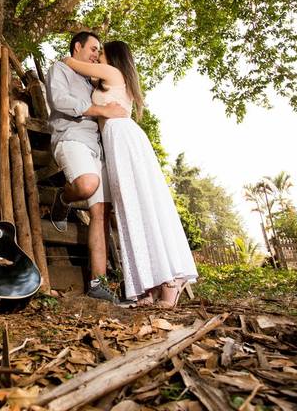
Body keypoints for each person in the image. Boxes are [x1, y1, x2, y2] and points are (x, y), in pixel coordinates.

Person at [62, 40, 198, 308]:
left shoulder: (113, 73)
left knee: (143, 207)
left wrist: (74, 59)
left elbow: (71, 63)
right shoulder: (106, 79)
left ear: (113, 57)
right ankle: (149, 284)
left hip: (123, 138)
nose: (97, 56)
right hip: (115, 143)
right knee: (130, 212)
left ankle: (170, 281)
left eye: (100, 52)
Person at [45, 31, 129, 304]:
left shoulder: (94, 80)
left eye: (98, 50)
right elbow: (59, 101)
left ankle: (98, 282)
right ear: (77, 47)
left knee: (101, 213)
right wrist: (100, 110)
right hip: (70, 138)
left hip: (97, 149)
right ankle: (62, 197)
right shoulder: (60, 68)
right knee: (85, 184)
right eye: (93, 49)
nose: (96, 54)